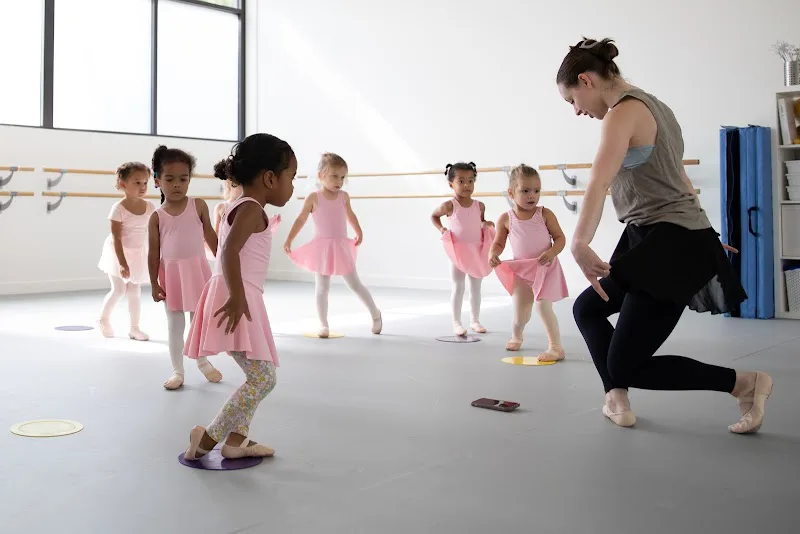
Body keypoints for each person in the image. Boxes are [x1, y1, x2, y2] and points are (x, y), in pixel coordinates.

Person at [557, 37, 772, 432]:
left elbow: (598, 182)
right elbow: (679, 178)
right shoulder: (657, 106)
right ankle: (615, 396)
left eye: (572, 100)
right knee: (587, 309)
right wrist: (705, 230)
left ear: (586, 81)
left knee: (627, 364)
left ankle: (744, 384)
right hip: (658, 236)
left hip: (669, 243)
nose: (576, 111)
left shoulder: (621, 115)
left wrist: (578, 241)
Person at [183, 133, 296, 460]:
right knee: (264, 378)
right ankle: (207, 439)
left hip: (237, 293)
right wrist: (235, 295)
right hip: (237, 296)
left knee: (259, 376)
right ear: (269, 177)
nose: (291, 185)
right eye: (291, 177)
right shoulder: (250, 210)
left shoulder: (241, 206)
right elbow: (228, 250)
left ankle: (237, 440)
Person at [148, 145, 222, 390]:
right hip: (172, 277)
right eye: (170, 179)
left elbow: (210, 235)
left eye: (183, 179)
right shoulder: (157, 216)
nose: (177, 184)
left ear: (190, 180)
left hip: (197, 271)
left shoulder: (198, 205)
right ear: (158, 181)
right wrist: (154, 283)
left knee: (199, 321)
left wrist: (223, 261)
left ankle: (202, 361)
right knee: (175, 325)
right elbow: (154, 252)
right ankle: (177, 371)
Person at [283, 153, 382, 338]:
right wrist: (289, 239)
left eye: (342, 177)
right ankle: (323, 323)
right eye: (334, 176)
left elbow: (350, 216)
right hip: (322, 248)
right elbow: (301, 219)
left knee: (354, 284)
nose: (339, 181)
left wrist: (358, 231)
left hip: (341, 246)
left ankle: (375, 313)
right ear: (320, 175)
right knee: (322, 287)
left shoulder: (343, 197)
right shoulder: (314, 198)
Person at [489, 164, 568, 360]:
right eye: (525, 191)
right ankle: (517, 335)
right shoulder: (505, 219)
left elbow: (560, 238)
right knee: (520, 314)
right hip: (522, 271)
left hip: (545, 266)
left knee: (543, 306)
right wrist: (493, 253)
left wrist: (551, 252)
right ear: (511, 192)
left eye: (536, 190)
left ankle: (556, 347)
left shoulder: (545, 214)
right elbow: (498, 242)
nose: (532, 195)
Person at [431, 162, 495, 336]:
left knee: (475, 288)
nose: (467, 185)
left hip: (476, 252)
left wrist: (486, 223)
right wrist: (442, 229)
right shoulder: (449, 205)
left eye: (470, 181)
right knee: (458, 287)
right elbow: (434, 216)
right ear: (451, 183)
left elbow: (479, 221)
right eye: (461, 181)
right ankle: (456, 322)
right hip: (458, 252)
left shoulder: (479, 205)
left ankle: (475, 320)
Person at [97, 162, 154, 341]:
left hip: (137, 253)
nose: (143, 187)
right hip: (117, 253)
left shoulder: (150, 207)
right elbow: (117, 238)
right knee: (119, 290)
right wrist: (122, 263)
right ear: (123, 184)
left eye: (145, 183)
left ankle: (134, 328)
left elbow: (155, 232)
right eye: (137, 183)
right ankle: (103, 319)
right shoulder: (118, 208)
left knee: (135, 290)